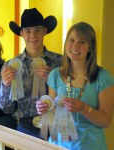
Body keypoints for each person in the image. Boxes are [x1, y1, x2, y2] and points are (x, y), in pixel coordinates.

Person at [36, 22, 114, 150]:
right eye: (71, 40)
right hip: (58, 145)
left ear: (90, 47)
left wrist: (84, 108)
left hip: (91, 146)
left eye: (82, 42)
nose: (75, 46)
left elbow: (105, 121)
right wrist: (44, 108)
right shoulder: (55, 75)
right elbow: (53, 114)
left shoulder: (103, 77)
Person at [0, 8, 62, 139]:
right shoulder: (10, 66)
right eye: (28, 31)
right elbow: (6, 108)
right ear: (21, 33)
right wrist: (5, 85)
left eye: (37, 30)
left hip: (56, 125)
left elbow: (71, 95)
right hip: (24, 127)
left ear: (45, 31)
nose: (33, 35)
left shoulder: (60, 63)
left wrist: (57, 80)